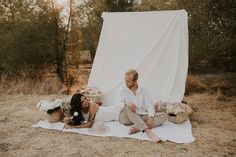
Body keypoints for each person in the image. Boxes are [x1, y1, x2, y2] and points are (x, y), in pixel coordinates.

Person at [116, 69, 167, 142]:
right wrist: (126, 102)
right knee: (128, 107)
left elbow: (149, 105)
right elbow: (116, 105)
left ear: (135, 81)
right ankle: (148, 131)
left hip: (139, 116)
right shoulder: (121, 90)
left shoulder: (144, 90)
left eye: (128, 81)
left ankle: (137, 128)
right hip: (124, 118)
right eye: (125, 80)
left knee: (164, 116)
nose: (125, 83)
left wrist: (151, 117)